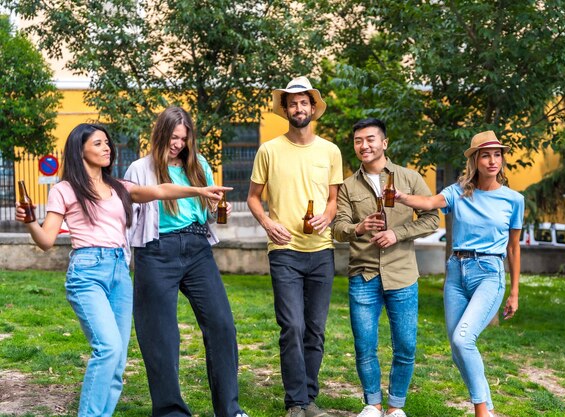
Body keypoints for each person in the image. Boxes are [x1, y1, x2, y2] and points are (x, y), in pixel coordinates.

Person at [15, 123, 228, 417]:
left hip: (119, 271)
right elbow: (46, 241)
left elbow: (160, 190)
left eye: (107, 144)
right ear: (80, 150)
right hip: (87, 272)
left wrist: (198, 189)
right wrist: (29, 222)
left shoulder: (118, 187)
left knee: (117, 359)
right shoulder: (64, 190)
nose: (107, 149)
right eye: (99, 144)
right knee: (108, 348)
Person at [124, 107, 247, 417]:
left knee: (221, 325)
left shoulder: (199, 164)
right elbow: (132, 213)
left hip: (196, 249)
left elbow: (205, 210)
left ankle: (230, 410)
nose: (178, 144)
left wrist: (217, 210)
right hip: (156, 250)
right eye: (173, 137)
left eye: (183, 138)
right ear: (160, 134)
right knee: (161, 335)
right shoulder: (140, 168)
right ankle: (170, 412)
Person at [394, 130, 523, 417]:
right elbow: (428, 204)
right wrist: (401, 197)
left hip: (490, 273)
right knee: (457, 348)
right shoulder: (458, 191)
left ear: (502, 159)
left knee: (464, 340)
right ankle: (488, 408)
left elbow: (514, 249)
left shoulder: (514, 200)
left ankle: (480, 411)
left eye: (497, 154)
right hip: (456, 272)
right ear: (475, 160)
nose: (492, 161)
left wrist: (514, 292)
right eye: (486, 155)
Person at [247, 76, 343, 417]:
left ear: (313, 108)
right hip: (284, 251)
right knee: (292, 327)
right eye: (293, 103)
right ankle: (295, 402)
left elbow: (333, 200)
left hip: (321, 251)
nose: (299, 108)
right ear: (285, 109)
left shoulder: (330, 151)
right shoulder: (268, 150)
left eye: (304, 102)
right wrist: (268, 223)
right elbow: (253, 198)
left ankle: (309, 398)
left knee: (315, 329)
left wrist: (327, 218)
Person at [332, 118, 439, 417]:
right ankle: (372, 404)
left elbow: (432, 218)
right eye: (358, 141)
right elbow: (337, 228)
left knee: (405, 346)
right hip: (363, 276)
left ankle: (395, 408)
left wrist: (398, 233)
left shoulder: (409, 178)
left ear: (384, 143)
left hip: (403, 275)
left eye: (370, 139)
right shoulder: (348, 186)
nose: (364, 146)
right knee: (365, 346)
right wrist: (359, 227)